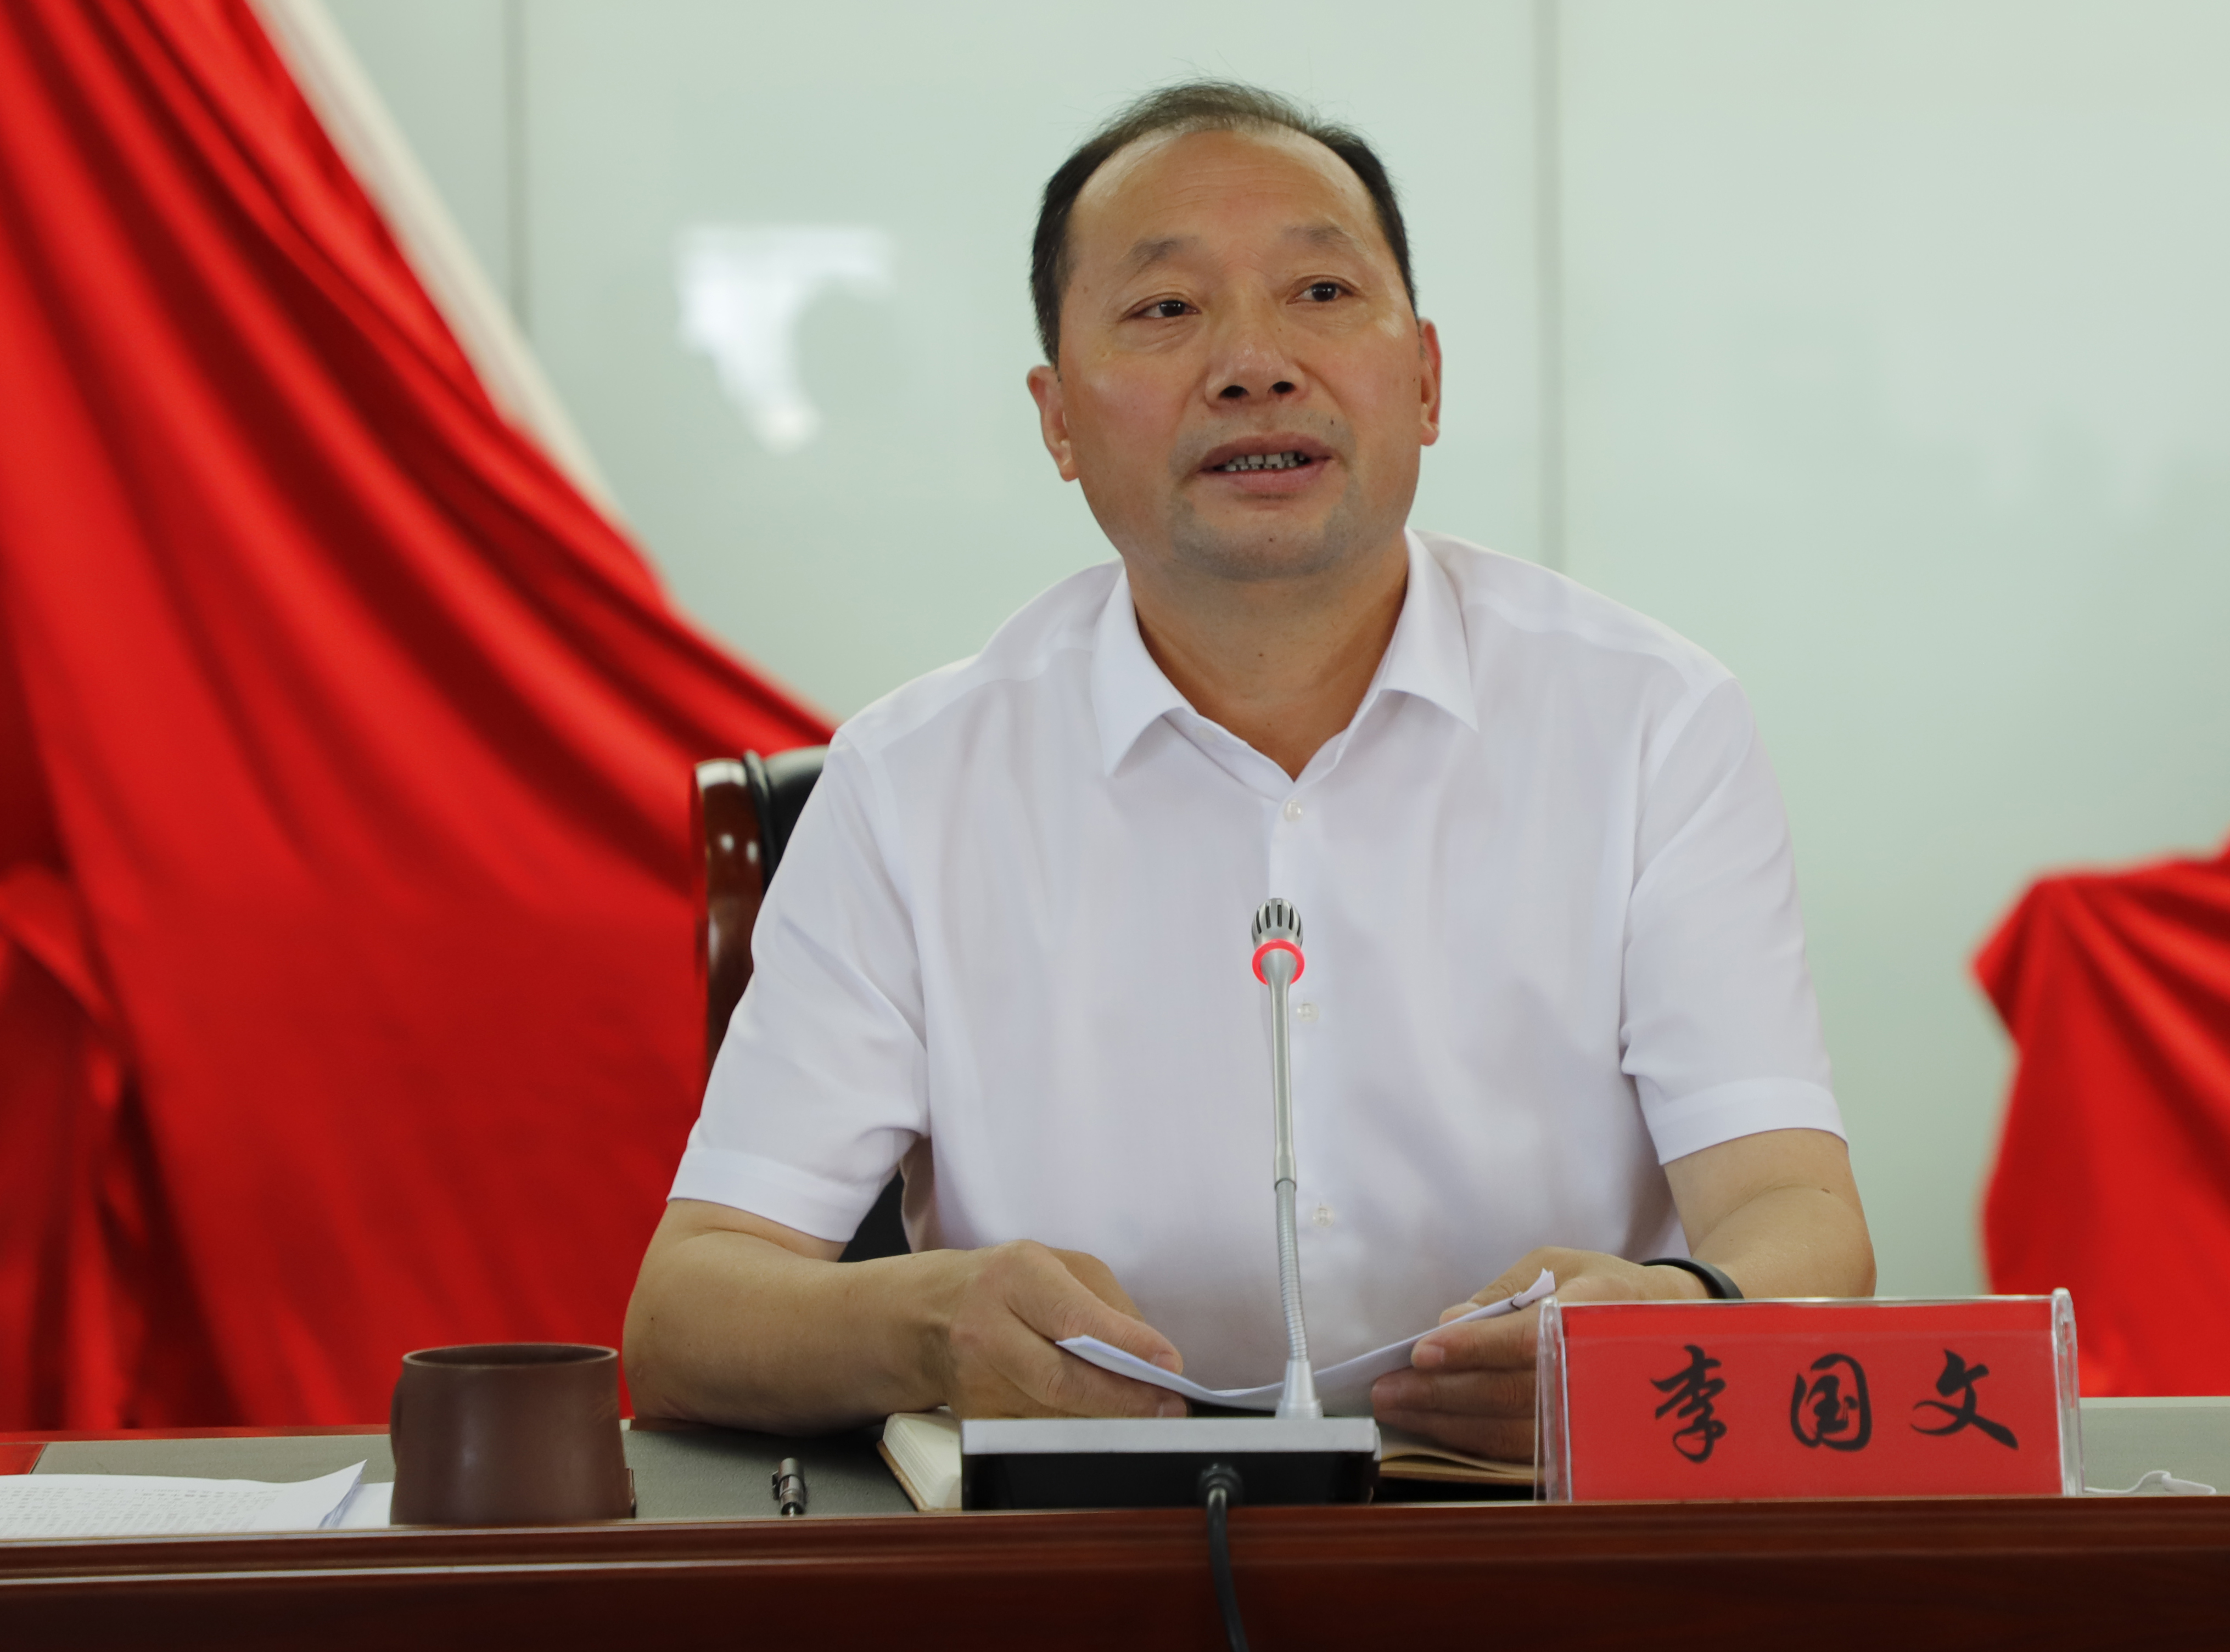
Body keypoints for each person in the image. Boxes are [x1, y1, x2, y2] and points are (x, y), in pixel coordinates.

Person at [623, 82, 1873, 1460]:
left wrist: (1667, 1324)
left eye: (1322, 293)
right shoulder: (912, 784)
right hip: (1090, 1557)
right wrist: (929, 1328)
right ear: (1057, 419)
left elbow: (1799, 1218)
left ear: (1427, 380)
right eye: (1166, 309)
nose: (1255, 365)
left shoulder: (1652, 723)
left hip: (1528, 1531)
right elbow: (684, 1315)